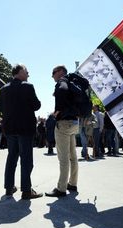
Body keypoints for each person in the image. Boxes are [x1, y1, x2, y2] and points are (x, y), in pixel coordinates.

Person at [0, 64, 43, 200]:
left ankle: (9, 187)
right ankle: (26, 191)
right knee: (26, 159)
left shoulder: (3, 89)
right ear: (19, 72)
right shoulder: (27, 86)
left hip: (10, 129)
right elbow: (37, 105)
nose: (28, 74)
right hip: (25, 129)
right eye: (26, 71)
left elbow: (0, 107)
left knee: (12, 158)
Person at [45, 65, 79, 198]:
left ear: (60, 72)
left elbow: (62, 90)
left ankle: (61, 188)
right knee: (73, 156)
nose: (52, 76)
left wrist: (56, 112)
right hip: (74, 122)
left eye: (53, 73)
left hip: (64, 123)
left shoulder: (62, 82)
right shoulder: (72, 82)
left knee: (63, 158)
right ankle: (73, 183)